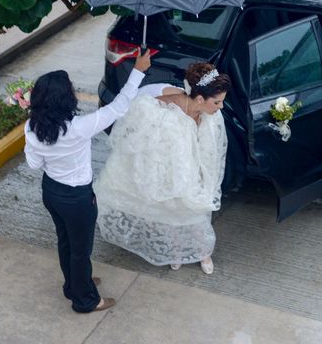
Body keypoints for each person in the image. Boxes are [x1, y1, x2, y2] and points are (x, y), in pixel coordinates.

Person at [24, 49, 151, 313]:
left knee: (65, 242)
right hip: (77, 198)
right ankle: (85, 301)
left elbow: (34, 164)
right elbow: (119, 106)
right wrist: (138, 70)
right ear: (64, 99)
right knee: (80, 250)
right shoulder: (79, 127)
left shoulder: (32, 128)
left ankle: (74, 284)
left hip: (51, 192)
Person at [95, 62, 231, 274]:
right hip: (171, 170)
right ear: (200, 99)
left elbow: (212, 148)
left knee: (195, 217)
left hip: (193, 170)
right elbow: (144, 128)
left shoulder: (211, 114)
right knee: (171, 217)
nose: (221, 106)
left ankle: (204, 253)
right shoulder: (167, 109)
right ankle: (175, 253)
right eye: (217, 102)